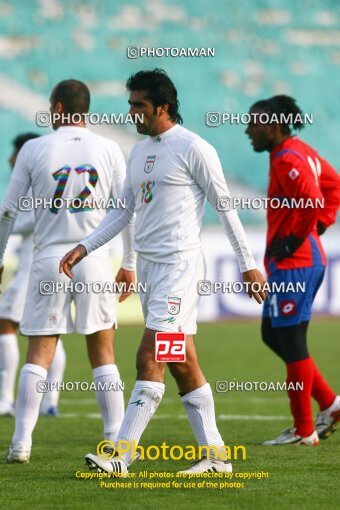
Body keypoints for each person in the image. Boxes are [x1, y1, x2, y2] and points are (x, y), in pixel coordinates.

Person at [60, 69, 267, 475]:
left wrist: (249, 265)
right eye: (130, 104)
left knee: (149, 354)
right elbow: (123, 212)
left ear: (162, 107)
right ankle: (216, 457)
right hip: (152, 272)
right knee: (181, 361)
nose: (132, 112)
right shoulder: (137, 153)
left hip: (179, 267)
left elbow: (225, 207)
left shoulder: (194, 148)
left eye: (138, 105)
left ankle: (121, 454)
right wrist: (86, 246)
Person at [0, 79, 135, 463]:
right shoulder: (109, 147)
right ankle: (115, 442)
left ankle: (21, 443)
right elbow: (128, 210)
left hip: (47, 260)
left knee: (39, 351)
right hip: (92, 257)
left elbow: (7, 211)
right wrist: (129, 263)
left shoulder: (34, 148)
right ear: (86, 109)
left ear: (58, 108)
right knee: (103, 352)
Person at [245, 94, 340, 445]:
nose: (247, 130)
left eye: (254, 123)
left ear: (274, 125)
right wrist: (322, 224)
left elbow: (314, 199)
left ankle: (304, 432)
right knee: (273, 334)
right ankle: (330, 404)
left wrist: (296, 238)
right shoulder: (300, 150)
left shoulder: (287, 157)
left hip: (296, 263)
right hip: (300, 260)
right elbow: (333, 185)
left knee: (291, 339)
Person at [0, 133, 66, 418]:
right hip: (55, 265)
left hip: (32, 269)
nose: (10, 158)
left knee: (5, 325)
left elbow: (19, 220)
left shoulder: (30, 185)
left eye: (15, 151)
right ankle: (50, 401)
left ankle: (5, 399)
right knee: (50, 332)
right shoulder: (49, 180)